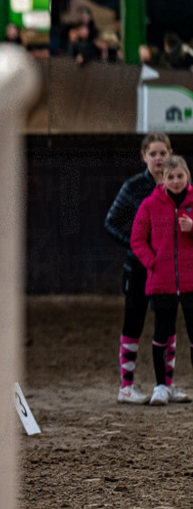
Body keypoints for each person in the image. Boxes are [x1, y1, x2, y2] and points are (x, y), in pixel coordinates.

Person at [105, 133, 177, 404]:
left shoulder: (178, 185)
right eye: (153, 153)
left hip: (168, 271)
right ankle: (126, 387)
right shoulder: (133, 187)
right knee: (133, 323)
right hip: (137, 268)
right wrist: (138, 247)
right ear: (144, 156)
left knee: (167, 326)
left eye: (163, 153)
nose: (159, 158)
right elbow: (111, 223)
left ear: (171, 154)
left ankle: (166, 385)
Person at [131, 155, 193, 406]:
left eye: (180, 176)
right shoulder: (149, 205)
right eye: (171, 177)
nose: (176, 181)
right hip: (162, 282)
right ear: (163, 180)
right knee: (161, 334)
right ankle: (161, 387)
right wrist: (152, 262)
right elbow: (137, 240)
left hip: (191, 283)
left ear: (187, 176)